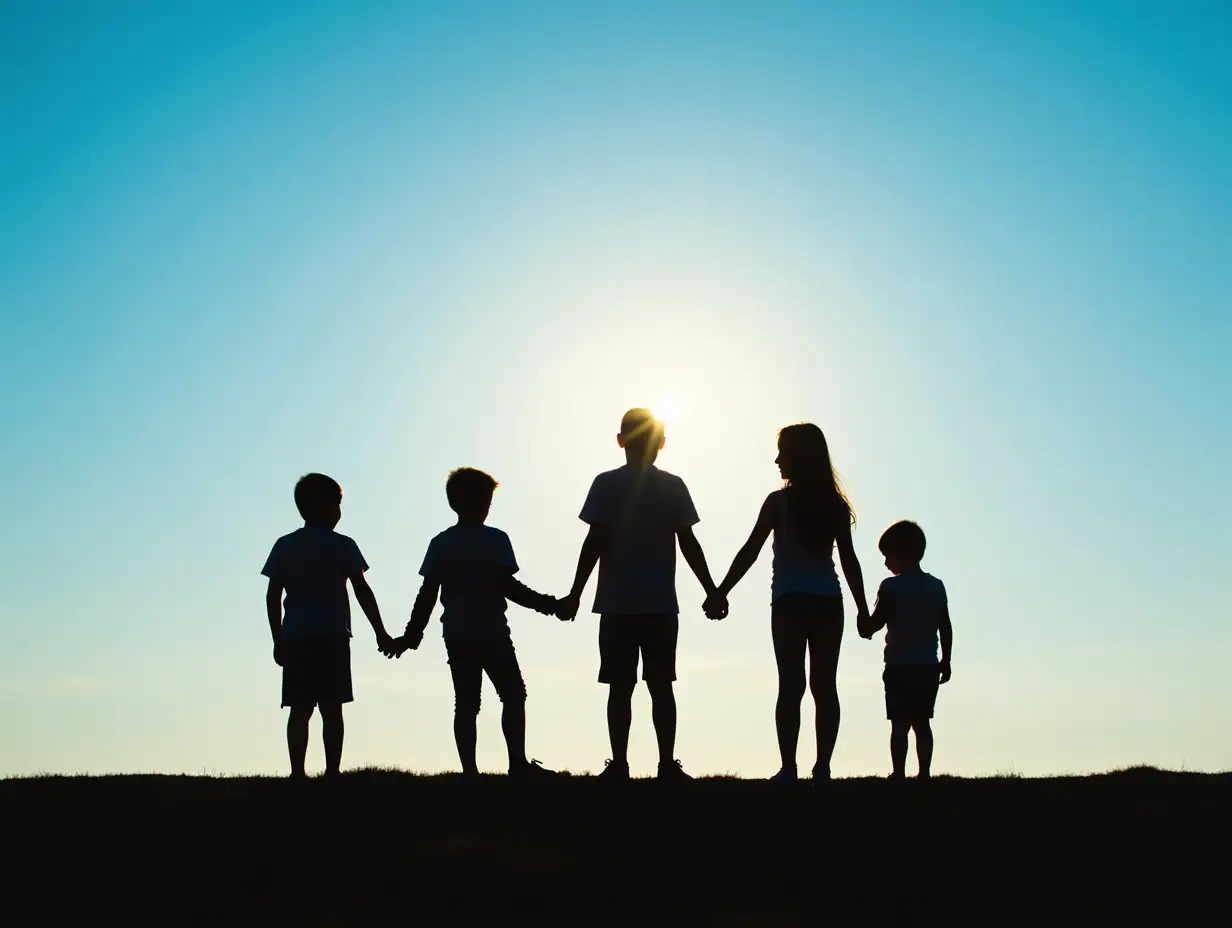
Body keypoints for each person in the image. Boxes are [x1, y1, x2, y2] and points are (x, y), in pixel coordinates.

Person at [558, 408, 723, 781]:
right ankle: (666, 763)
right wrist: (711, 590)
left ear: (620, 440)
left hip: (618, 604)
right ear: (662, 443)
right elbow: (689, 543)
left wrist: (575, 593)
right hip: (659, 605)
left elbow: (594, 542)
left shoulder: (605, 484)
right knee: (661, 686)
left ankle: (620, 764)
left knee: (621, 688)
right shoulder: (673, 486)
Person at [704, 423, 870, 782]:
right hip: (828, 601)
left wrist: (721, 591)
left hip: (790, 603)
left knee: (791, 686)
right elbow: (849, 562)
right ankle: (822, 767)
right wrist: (862, 609)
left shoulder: (779, 502)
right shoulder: (834, 505)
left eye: (783, 452)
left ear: (800, 455)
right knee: (824, 685)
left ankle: (789, 768)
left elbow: (750, 550)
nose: (777, 460)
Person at [391, 468, 562, 778]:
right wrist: (549, 605)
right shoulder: (495, 539)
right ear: (484, 502)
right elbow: (508, 587)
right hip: (492, 632)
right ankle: (517, 764)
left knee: (467, 704)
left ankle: (470, 771)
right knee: (513, 695)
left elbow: (427, 594)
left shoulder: (441, 543)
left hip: (456, 634)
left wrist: (411, 635)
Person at [261, 473, 395, 779]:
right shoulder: (343, 546)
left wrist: (278, 637)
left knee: (300, 708)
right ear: (326, 507)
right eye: (337, 504)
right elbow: (362, 589)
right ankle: (332, 771)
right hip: (332, 636)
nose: (339, 511)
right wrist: (380, 631)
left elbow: (273, 595)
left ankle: (298, 773)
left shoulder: (286, 545)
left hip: (297, 636)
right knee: (332, 708)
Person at [857, 520, 952, 780]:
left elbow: (874, 625)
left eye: (888, 555)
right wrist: (947, 659)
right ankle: (924, 773)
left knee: (899, 724)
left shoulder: (891, 588)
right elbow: (945, 625)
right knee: (923, 723)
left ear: (902, 553)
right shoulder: (936, 587)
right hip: (927, 665)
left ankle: (898, 772)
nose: (886, 562)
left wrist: (862, 619)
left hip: (899, 666)